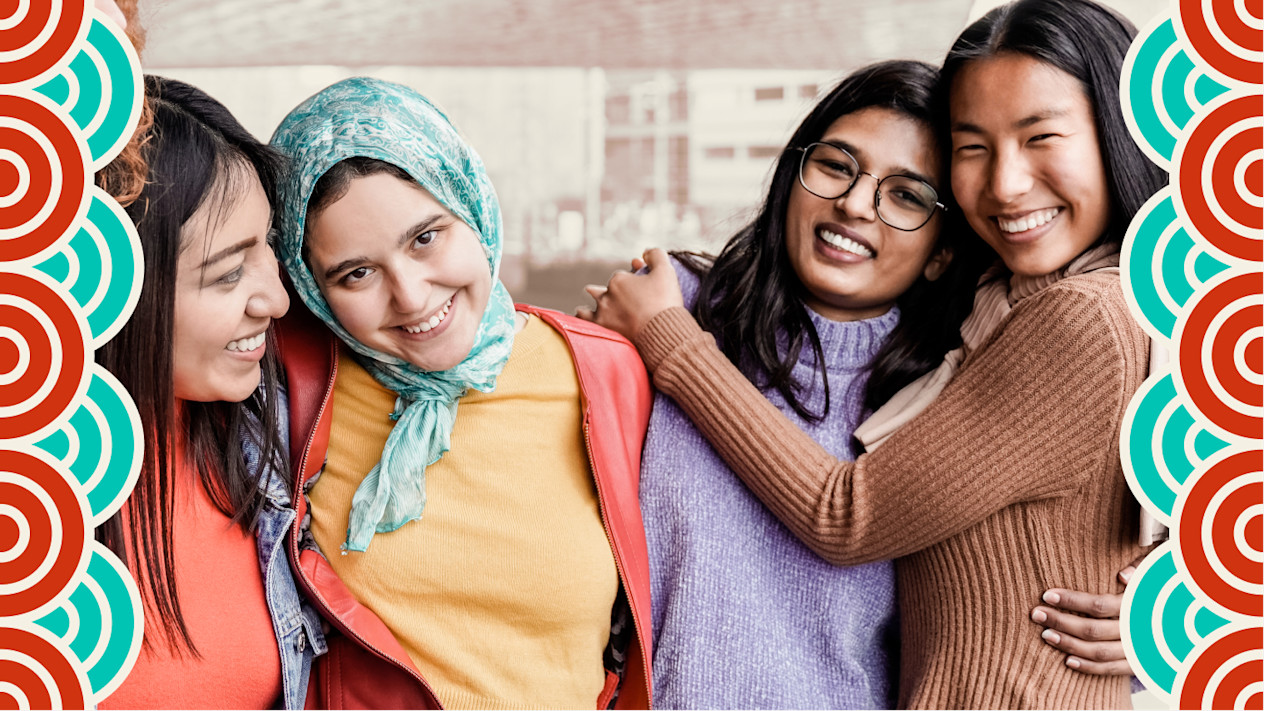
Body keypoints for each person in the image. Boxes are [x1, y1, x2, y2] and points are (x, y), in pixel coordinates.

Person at [581, 0, 1164, 707]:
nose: (1006, 183)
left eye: (1041, 137)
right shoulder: (986, 327)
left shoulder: (1080, 315)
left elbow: (847, 515)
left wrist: (671, 339)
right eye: (974, 146)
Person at [578, 59, 979, 709]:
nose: (854, 203)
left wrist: (1127, 626)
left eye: (905, 195)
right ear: (794, 174)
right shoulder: (668, 304)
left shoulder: (943, 400)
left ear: (943, 251)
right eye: (835, 165)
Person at [268, 77, 653, 709]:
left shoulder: (604, 372)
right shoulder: (292, 393)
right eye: (357, 273)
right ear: (312, 290)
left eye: (426, 237)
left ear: (470, 204)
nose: (413, 297)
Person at [95, 76, 324, 710]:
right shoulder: (37, 507)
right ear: (112, 285)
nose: (276, 301)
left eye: (269, 250)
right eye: (227, 273)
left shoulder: (278, 432)